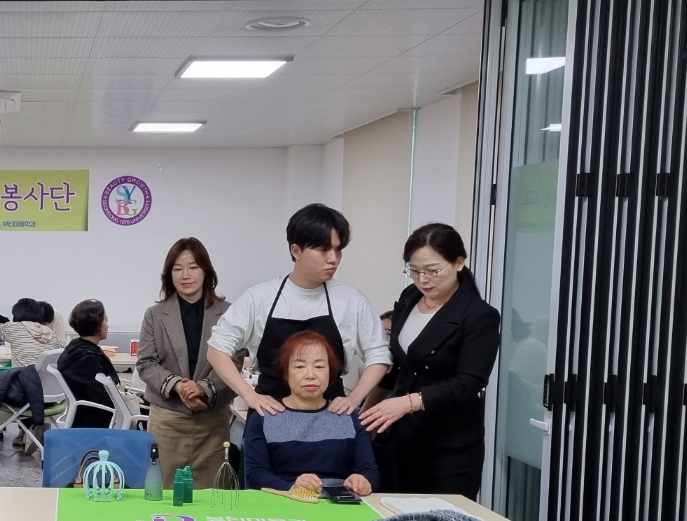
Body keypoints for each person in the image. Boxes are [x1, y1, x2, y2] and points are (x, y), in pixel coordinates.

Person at [207, 203, 391, 420]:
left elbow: (379, 355)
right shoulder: (259, 298)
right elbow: (216, 350)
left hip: (332, 414)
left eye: (338, 249)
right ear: (296, 251)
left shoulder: (351, 300)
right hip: (271, 413)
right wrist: (249, 395)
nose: (333, 258)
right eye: (323, 250)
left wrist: (354, 399)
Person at [360, 223, 501, 499]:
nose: (422, 280)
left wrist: (407, 403)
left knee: (438, 520)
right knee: (390, 512)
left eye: (432, 271)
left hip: (448, 444)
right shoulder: (410, 298)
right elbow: (398, 365)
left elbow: (469, 382)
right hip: (400, 435)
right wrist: (367, 415)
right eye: (414, 271)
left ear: (458, 263)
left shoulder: (478, 315)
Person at [137, 237, 232, 488]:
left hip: (212, 420)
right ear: (169, 275)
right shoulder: (155, 315)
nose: (185, 275)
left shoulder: (227, 312)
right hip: (168, 419)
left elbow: (234, 362)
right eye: (177, 268)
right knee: (164, 491)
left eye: (193, 267)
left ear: (206, 271)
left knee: (211, 495)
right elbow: (146, 363)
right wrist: (179, 386)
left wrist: (203, 388)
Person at [243, 330, 378, 496]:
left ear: (330, 372)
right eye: (300, 367)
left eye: (319, 366)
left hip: (339, 503)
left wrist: (362, 481)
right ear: (286, 373)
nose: (311, 375)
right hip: (284, 500)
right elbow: (255, 473)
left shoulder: (348, 416)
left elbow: (369, 471)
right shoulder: (264, 418)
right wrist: (292, 487)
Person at [0, 299, 63, 450]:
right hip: (48, 396)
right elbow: (62, 351)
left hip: (22, 395)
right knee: (23, 379)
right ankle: (33, 427)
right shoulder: (49, 333)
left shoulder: (14, 328)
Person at [56, 299, 125, 429]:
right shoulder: (86, 358)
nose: (108, 325)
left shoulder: (76, 349)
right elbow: (102, 397)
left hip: (88, 413)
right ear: (97, 325)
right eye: (106, 321)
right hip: (96, 418)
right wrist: (127, 401)